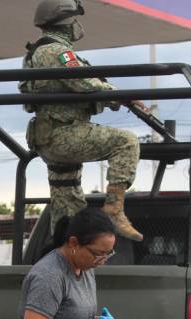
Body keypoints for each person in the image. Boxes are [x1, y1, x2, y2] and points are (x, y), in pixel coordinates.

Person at [20, 0, 143, 242]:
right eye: (75, 19)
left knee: (68, 207)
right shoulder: (58, 51)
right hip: (65, 134)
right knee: (126, 142)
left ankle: (63, 247)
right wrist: (120, 95)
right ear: (66, 22)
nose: (77, 24)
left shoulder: (35, 52)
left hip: (47, 136)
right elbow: (82, 82)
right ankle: (114, 208)